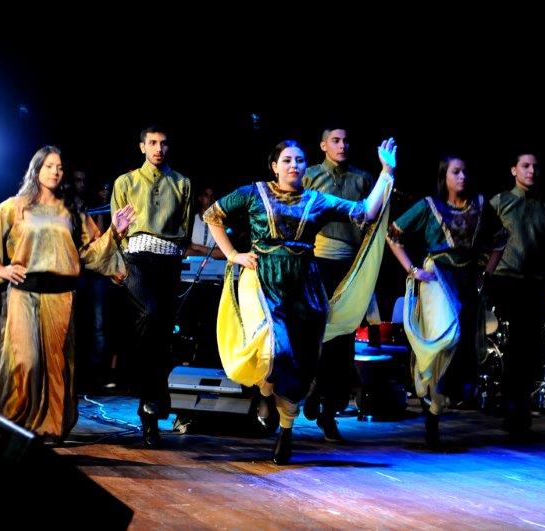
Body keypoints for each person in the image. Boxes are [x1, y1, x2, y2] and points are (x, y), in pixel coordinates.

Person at [204, 138, 396, 464]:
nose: (294, 165)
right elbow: (212, 215)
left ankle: (286, 429)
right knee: (274, 349)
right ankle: (266, 392)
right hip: (263, 280)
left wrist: (386, 171)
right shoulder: (253, 193)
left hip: (304, 288)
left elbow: (365, 211)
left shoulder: (316, 200)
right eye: (287, 160)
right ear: (274, 166)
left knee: (301, 363)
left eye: (300, 160)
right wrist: (233, 254)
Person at [0, 146, 132, 440]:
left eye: (60, 167)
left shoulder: (72, 211)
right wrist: (1, 269)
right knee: (25, 361)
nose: (55, 171)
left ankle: (50, 428)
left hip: (61, 297)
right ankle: (14, 426)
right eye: (49, 166)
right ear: (36, 169)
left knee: (56, 365)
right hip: (24, 294)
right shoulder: (16, 207)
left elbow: (90, 252)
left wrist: (115, 232)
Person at [387, 155, 506, 447]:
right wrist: (413, 270)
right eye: (456, 172)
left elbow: (500, 239)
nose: (462, 176)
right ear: (445, 177)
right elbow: (393, 235)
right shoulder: (430, 206)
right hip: (437, 278)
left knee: (457, 347)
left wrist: (486, 274)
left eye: (465, 171)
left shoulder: (480, 206)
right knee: (445, 337)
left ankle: (434, 415)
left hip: (467, 277)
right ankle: (429, 397)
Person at [111, 125, 192, 447]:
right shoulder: (126, 182)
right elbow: (118, 230)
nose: (159, 148)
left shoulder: (182, 183)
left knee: (162, 334)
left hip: (168, 261)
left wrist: (175, 254)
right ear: (142, 146)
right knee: (150, 314)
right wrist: (120, 262)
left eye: (164, 143)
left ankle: (149, 411)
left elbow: (184, 230)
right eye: (153, 143)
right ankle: (154, 393)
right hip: (137, 259)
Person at [301, 127, 375, 442]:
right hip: (316, 263)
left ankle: (329, 410)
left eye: (346, 140)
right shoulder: (309, 175)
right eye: (335, 140)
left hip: (349, 265)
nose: (342, 145)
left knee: (343, 337)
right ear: (323, 145)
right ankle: (311, 386)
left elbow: (373, 221)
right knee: (314, 331)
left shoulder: (361, 178)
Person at [489, 152, 545, 434]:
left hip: (535, 283)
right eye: (525, 166)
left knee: (531, 348)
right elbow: (484, 240)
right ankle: (511, 404)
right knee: (513, 344)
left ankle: (520, 405)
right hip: (506, 280)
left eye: (535, 166)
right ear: (514, 170)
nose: (531, 171)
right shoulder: (500, 202)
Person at [185, 186, 224, 258]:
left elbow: (223, 253)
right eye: (206, 195)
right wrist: (210, 254)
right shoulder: (191, 220)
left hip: (215, 264)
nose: (210, 199)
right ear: (200, 198)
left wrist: (198, 247)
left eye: (212, 196)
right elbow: (185, 251)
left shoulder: (220, 222)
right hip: (193, 263)